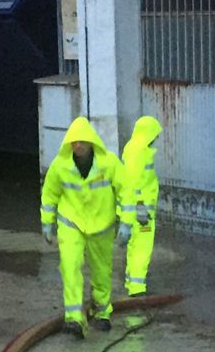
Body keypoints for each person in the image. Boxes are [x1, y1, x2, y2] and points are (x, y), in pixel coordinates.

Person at [40, 117, 133, 339]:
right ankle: (74, 318)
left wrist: (127, 222)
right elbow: (50, 193)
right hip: (71, 221)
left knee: (101, 270)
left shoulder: (109, 163)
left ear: (91, 142)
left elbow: (126, 191)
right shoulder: (60, 166)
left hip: (102, 224)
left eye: (81, 141)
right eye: (73, 142)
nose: (77, 145)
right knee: (70, 266)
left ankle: (102, 311)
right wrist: (47, 221)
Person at [121, 116, 163, 297]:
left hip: (138, 209)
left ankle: (132, 284)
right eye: (155, 134)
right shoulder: (138, 151)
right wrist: (140, 207)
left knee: (134, 247)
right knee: (141, 249)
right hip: (141, 211)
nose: (156, 138)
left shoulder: (135, 148)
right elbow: (132, 183)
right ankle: (137, 290)